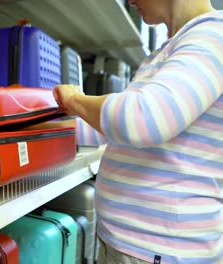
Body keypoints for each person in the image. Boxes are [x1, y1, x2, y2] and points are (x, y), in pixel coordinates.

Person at [53, 0, 222, 263]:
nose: (130, 1)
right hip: (131, 244)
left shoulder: (213, 35)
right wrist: (37, 129)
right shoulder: (168, 50)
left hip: (159, 250)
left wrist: (76, 101)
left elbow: (144, 119)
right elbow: (112, 130)